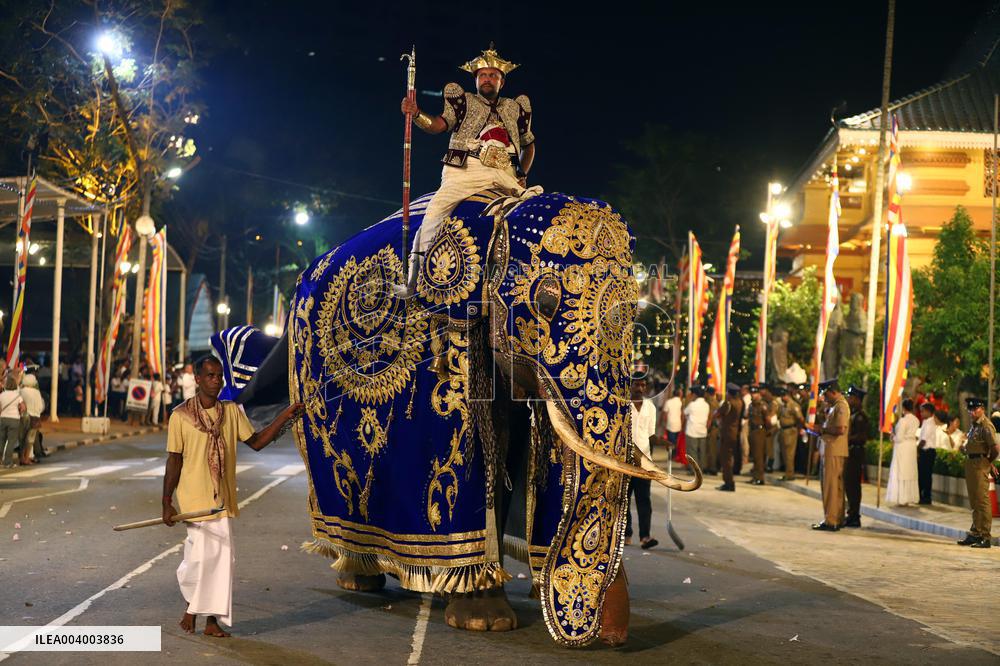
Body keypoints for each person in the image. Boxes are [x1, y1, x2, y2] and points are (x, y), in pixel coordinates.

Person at [162, 355, 304, 636]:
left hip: (220, 500)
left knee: (220, 560)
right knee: (200, 558)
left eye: (219, 376)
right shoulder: (180, 416)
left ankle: (210, 621)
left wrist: (286, 416)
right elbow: (174, 461)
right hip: (193, 499)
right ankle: (192, 607)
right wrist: (166, 502)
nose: (216, 381)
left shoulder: (231, 412)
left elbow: (258, 442)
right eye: (210, 376)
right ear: (197, 378)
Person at [398, 44, 537, 294]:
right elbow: (439, 125)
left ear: (501, 82)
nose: (487, 79)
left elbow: (529, 145)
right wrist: (418, 114)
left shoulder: (516, 107)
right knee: (434, 214)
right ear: (475, 80)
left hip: (505, 174)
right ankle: (413, 281)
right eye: (483, 75)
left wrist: (522, 174)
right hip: (466, 172)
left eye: (493, 75)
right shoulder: (463, 100)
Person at [957, 397, 999, 548]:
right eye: (970, 409)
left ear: (982, 409)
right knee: (974, 500)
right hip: (971, 463)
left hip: (980, 464)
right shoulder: (974, 426)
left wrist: (988, 463)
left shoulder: (986, 425)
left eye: (975, 409)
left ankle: (985, 536)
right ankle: (976, 532)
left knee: (982, 500)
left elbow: (995, 449)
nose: (972, 412)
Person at [625, 375, 658, 549]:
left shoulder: (650, 407)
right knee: (624, 499)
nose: (640, 388)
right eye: (637, 384)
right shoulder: (622, 405)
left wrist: (664, 444)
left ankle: (645, 536)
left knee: (644, 500)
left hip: (644, 461)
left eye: (643, 385)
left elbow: (651, 434)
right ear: (630, 386)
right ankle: (626, 533)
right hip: (624, 460)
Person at [812, 380, 849, 531]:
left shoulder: (840, 406)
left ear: (832, 391)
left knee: (831, 487)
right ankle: (836, 518)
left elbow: (840, 429)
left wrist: (822, 430)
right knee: (835, 487)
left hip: (834, 450)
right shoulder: (835, 406)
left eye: (825, 394)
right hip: (831, 449)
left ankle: (831, 520)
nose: (824, 397)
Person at [844, 385, 870, 528]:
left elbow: (862, 437)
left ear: (857, 399)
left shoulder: (860, 417)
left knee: (853, 486)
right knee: (849, 485)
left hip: (856, 452)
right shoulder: (852, 414)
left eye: (851, 397)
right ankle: (851, 513)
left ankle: (854, 516)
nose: (848, 399)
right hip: (851, 452)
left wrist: (846, 439)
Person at [886, 399, 919, 506]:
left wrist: (893, 437)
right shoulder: (916, 420)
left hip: (902, 447)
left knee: (900, 471)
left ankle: (901, 498)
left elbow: (899, 437)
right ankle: (908, 497)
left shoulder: (903, 421)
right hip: (912, 446)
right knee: (910, 471)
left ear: (904, 408)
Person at [716, 383, 743, 491]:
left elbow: (718, 413)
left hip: (727, 433)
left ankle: (728, 482)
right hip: (734, 433)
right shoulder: (740, 402)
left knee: (725, 459)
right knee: (729, 458)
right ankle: (729, 481)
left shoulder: (729, 403)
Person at [778, 386, 805, 481]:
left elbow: (800, 419)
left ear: (788, 395)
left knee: (789, 453)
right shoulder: (783, 406)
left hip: (790, 430)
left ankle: (790, 474)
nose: (781, 398)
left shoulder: (793, 405)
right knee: (784, 453)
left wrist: (799, 428)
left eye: (783, 395)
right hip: (783, 430)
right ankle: (787, 472)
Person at [746, 385, 771, 485]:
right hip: (752, 431)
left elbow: (768, 420)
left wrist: (767, 431)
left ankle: (760, 478)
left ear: (758, 394)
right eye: (752, 393)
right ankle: (755, 476)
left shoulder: (762, 405)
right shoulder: (751, 405)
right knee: (754, 456)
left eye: (754, 393)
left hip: (760, 431)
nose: (753, 395)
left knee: (759, 456)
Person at [916, 402, 940, 505]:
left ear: (929, 412)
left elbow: (924, 440)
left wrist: (917, 449)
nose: (921, 413)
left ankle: (926, 497)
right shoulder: (926, 422)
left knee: (925, 475)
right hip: (925, 451)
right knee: (922, 474)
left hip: (928, 451)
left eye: (923, 411)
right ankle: (921, 495)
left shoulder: (930, 423)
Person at [19, 374, 46, 464]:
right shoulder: (36, 392)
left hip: (24, 416)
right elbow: (41, 406)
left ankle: (22, 458)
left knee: (22, 439)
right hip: (35, 417)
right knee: (30, 440)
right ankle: (27, 458)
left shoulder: (21, 391)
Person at [683, 385, 710, 472]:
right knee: (702, 451)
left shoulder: (692, 404)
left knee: (693, 451)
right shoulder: (706, 405)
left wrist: (690, 401)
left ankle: (694, 470)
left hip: (692, 431)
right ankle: (701, 468)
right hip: (702, 431)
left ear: (695, 394)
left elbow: (685, 412)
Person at [0, 376, 25, 467]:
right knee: (11, 441)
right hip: (14, 419)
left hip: (3, 419)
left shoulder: (1, 395)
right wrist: (19, 412)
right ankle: (8, 462)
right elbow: (23, 408)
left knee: (1, 440)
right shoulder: (17, 396)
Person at [662, 386, 683, 450]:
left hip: (670, 424)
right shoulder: (681, 402)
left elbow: (665, 415)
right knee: (676, 441)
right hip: (678, 424)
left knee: (670, 441)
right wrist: (682, 424)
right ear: (679, 394)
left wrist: (665, 424)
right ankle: (674, 454)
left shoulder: (668, 402)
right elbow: (682, 415)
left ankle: (670, 455)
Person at [705, 386, 720, 475]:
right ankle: (710, 466)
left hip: (712, 428)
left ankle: (712, 468)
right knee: (711, 448)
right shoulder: (715, 402)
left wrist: (707, 428)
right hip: (714, 428)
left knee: (711, 449)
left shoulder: (710, 403)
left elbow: (710, 417)